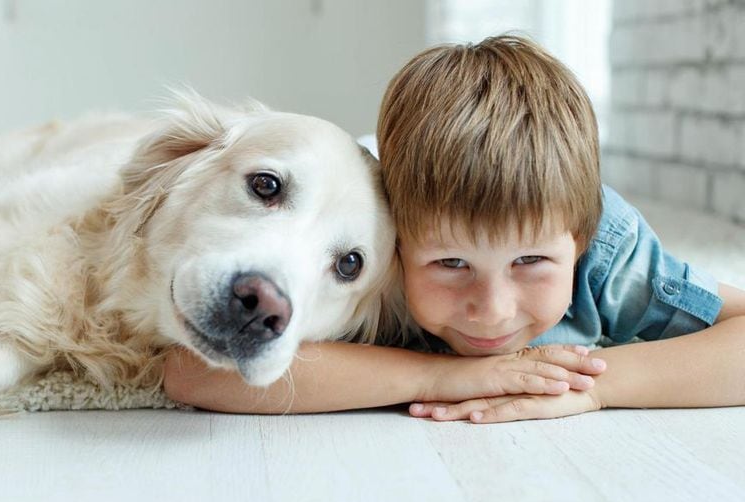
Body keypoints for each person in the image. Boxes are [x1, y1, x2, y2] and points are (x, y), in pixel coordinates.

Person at [162, 35, 745, 423]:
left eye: (530, 263)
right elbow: (191, 376)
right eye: (450, 265)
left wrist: (593, 386)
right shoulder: (367, 251)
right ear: (398, 251)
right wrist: (449, 377)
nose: (491, 311)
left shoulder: (604, 241)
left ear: (579, 242)